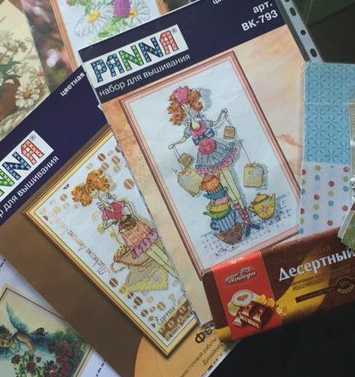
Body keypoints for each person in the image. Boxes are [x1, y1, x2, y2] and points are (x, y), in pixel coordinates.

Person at [167, 86, 257, 229]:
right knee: (223, 187)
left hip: (217, 151)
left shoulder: (203, 122)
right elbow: (184, 138)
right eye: (183, 106)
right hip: (205, 158)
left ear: (193, 104)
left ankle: (246, 219)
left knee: (231, 184)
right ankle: (240, 218)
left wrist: (222, 113)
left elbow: (215, 122)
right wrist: (174, 144)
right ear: (180, 110)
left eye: (187, 104)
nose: (186, 107)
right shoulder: (188, 128)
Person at [71, 169, 177, 276]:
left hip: (133, 223)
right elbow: (105, 224)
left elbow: (126, 204)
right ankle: (172, 272)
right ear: (88, 196)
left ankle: (175, 269)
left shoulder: (110, 200)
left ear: (97, 186)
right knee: (149, 251)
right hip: (126, 231)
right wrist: (111, 223)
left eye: (93, 189)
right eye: (90, 192)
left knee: (153, 247)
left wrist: (133, 214)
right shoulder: (104, 210)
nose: (93, 192)